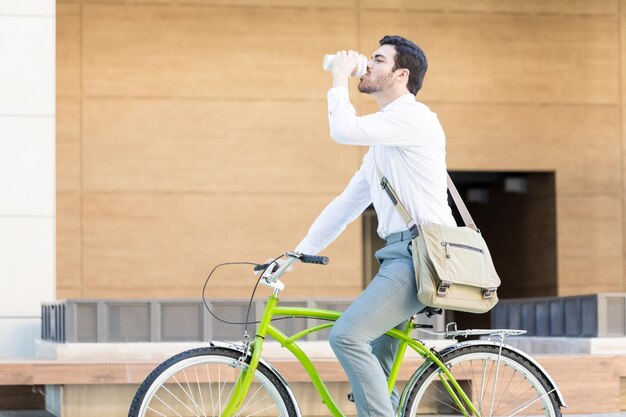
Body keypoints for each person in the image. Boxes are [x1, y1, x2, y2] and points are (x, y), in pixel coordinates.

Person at [293, 35, 456, 417]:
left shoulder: (414, 118)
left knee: (347, 336)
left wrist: (337, 79)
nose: (366, 66)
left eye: (377, 60)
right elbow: (347, 204)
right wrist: (301, 251)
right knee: (378, 372)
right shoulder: (384, 142)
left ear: (400, 74)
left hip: (421, 255)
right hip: (401, 255)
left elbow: (343, 130)